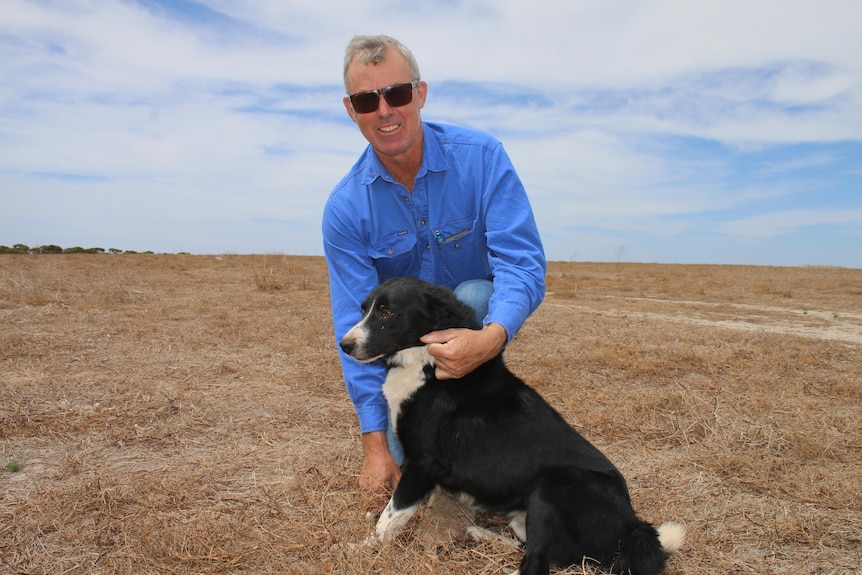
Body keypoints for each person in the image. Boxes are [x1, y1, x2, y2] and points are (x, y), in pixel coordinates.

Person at [322, 35, 546, 502]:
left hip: (473, 322)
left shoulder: (483, 159)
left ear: (419, 94)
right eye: (367, 99)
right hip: (402, 358)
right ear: (351, 109)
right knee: (413, 481)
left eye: (397, 93)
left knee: (474, 297)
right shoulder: (345, 208)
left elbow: (520, 263)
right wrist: (375, 446)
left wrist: (491, 337)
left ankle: (473, 426)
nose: (384, 110)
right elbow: (355, 328)